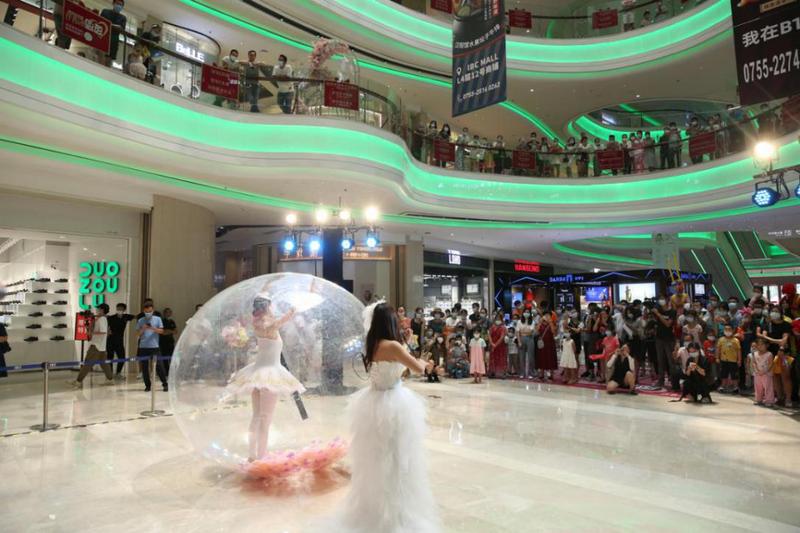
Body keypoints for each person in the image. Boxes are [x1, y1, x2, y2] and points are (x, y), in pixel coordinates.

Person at [329, 303, 438, 532]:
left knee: (376, 458)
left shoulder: (373, 344)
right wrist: (425, 363)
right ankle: (395, 512)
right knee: (397, 458)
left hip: (373, 402)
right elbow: (417, 369)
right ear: (390, 321)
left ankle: (374, 507)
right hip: (393, 404)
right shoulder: (393, 346)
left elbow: (396, 366)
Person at [225, 293, 303, 460]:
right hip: (270, 374)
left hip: (257, 373)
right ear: (267, 306)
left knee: (256, 416)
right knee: (265, 418)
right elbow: (283, 319)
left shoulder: (257, 323)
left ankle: (252, 455)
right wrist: (292, 310)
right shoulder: (271, 324)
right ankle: (261, 457)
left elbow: (275, 320)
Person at [69, 304, 114, 387]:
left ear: (102, 310)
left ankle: (78, 381)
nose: (96, 310)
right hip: (101, 347)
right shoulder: (101, 319)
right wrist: (89, 327)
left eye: (98, 309)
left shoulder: (102, 319)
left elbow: (103, 332)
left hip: (96, 346)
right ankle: (110, 379)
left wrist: (91, 332)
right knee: (104, 364)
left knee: (87, 364)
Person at [136, 302, 167, 392]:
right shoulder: (140, 320)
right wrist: (143, 328)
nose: (148, 313)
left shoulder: (158, 319)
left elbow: (162, 331)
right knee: (144, 368)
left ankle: (165, 384)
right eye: (146, 312)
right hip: (143, 347)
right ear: (143, 311)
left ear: (153, 310)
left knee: (159, 366)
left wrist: (153, 328)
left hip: (154, 347)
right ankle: (147, 385)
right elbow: (137, 334)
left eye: (150, 311)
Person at [653, 296, 678, 390]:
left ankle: (674, 382)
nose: (661, 301)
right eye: (660, 299)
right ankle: (661, 380)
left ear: (667, 300)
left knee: (671, 361)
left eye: (663, 299)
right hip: (659, 338)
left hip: (669, 339)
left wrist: (658, 314)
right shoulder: (658, 310)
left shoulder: (672, 311)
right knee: (660, 361)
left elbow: (668, 324)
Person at [107, 302, 134, 377]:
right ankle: (110, 374)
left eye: (121, 309)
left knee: (122, 357)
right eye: (118, 309)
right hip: (110, 340)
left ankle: (118, 373)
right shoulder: (111, 318)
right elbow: (106, 326)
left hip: (119, 341)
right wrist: (108, 331)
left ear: (124, 310)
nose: (119, 310)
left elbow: (136, 317)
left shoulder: (126, 317)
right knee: (110, 357)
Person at [100, 0, 127, 67]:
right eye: (117, 3)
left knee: (108, 63)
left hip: (113, 41)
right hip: (102, 38)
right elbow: (100, 22)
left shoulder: (123, 18)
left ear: (122, 7)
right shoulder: (105, 12)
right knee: (99, 60)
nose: (118, 6)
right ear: (113, 3)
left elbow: (122, 30)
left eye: (120, 5)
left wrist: (110, 25)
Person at [751, 338, 775, 407]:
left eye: (762, 345)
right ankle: (758, 399)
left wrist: (764, 371)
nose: (760, 346)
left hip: (767, 374)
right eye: (758, 345)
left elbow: (770, 364)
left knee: (768, 387)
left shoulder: (769, 354)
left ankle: (769, 400)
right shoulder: (755, 354)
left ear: (767, 345)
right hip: (757, 373)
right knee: (758, 387)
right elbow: (754, 362)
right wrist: (757, 370)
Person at [717, 323, 741, 393]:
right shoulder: (721, 339)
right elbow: (718, 349)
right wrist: (717, 357)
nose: (727, 331)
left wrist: (739, 360)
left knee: (734, 375)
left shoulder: (736, 340)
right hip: (723, 360)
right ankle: (723, 386)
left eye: (729, 329)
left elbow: (739, 350)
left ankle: (735, 387)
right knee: (723, 374)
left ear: (733, 330)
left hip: (733, 360)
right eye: (726, 329)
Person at [536, 313, 558, 380]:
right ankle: (542, 373)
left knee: (550, 358)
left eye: (548, 316)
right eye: (545, 316)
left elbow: (554, 332)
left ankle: (551, 374)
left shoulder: (552, 324)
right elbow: (536, 331)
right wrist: (540, 322)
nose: (546, 317)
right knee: (542, 357)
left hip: (550, 344)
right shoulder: (540, 323)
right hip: (542, 344)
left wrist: (550, 322)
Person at [488, 313, 507, 378]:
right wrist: (492, 343)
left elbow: (502, 337)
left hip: (500, 346)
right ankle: (492, 372)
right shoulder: (492, 327)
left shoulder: (503, 328)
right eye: (497, 319)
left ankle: (501, 373)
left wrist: (495, 345)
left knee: (501, 359)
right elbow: (489, 335)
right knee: (493, 358)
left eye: (499, 319)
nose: (498, 320)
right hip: (493, 345)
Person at [159, 307, 177, 375]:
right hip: (163, 342)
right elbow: (163, 332)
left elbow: (175, 331)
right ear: (164, 313)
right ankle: (166, 372)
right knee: (164, 358)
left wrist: (169, 331)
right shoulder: (162, 321)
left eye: (170, 312)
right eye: (167, 312)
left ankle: (172, 371)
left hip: (171, 342)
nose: (169, 313)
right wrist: (170, 331)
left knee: (172, 357)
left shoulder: (172, 321)